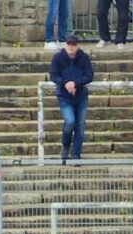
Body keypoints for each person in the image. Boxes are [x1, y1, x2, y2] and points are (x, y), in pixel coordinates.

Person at [49, 35, 94, 163]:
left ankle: (76, 154)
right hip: (64, 96)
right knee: (70, 121)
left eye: (73, 44)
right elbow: (53, 75)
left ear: (78, 45)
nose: (71, 47)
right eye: (69, 44)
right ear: (65, 45)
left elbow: (89, 75)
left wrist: (75, 83)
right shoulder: (58, 58)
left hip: (81, 96)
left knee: (80, 125)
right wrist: (66, 83)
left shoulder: (84, 58)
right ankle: (66, 145)